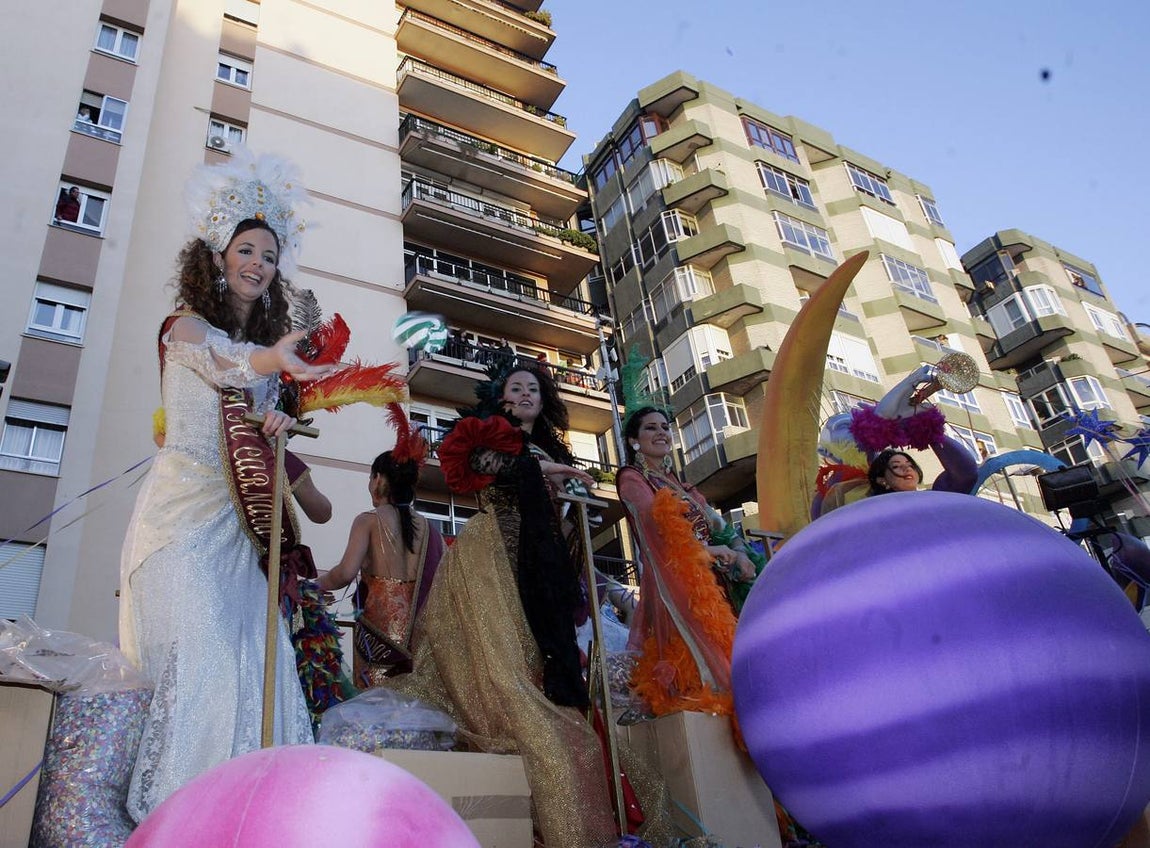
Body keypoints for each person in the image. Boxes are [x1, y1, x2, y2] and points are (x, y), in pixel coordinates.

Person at [119, 149, 334, 822]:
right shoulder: (185, 326)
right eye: (246, 249)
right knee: (202, 668)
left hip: (243, 537)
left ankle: (254, 819)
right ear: (217, 256)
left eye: (269, 256)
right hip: (180, 529)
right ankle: (180, 822)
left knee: (256, 672)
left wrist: (279, 420)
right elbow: (223, 364)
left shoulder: (266, 362)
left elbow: (256, 390)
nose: (257, 264)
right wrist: (273, 361)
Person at [388, 363, 671, 848]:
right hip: (493, 556)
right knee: (502, 666)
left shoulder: (548, 448)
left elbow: (562, 511)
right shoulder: (489, 435)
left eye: (533, 389)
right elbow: (482, 466)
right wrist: (548, 471)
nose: (524, 394)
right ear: (501, 397)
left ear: (544, 402)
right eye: (515, 387)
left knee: (541, 664)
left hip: (540, 565)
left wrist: (568, 497)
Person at [616, 406, 755, 720]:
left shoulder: (686, 488)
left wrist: (740, 552)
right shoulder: (632, 479)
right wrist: (705, 551)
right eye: (651, 428)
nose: (662, 433)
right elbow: (658, 530)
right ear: (633, 440)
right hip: (674, 586)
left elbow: (720, 526)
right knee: (692, 665)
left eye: (665, 427)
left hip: (715, 584)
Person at [316, 436, 444, 688]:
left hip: (378, 640)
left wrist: (313, 586)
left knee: (375, 713)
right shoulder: (433, 531)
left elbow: (344, 573)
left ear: (378, 479)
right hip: (419, 645)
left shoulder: (368, 521)